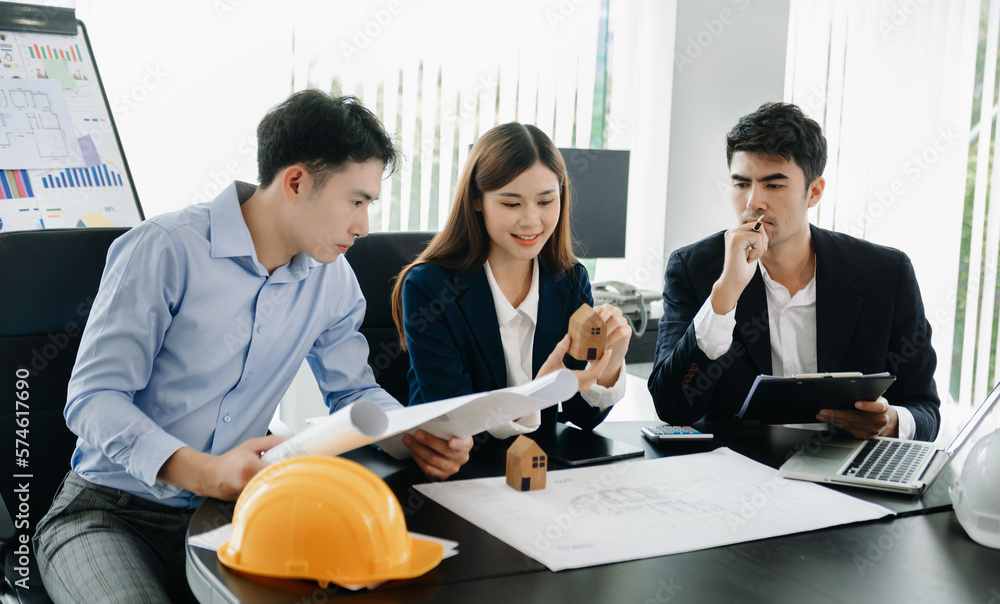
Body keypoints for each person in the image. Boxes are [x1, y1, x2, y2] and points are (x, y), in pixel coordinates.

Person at [34, 90, 473, 604]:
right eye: (356, 201)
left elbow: (354, 393)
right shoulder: (166, 249)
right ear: (295, 182)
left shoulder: (332, 280)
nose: (363, 226)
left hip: (232, 513)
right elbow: (94, 399)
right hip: (108, 512)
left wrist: (413, 433)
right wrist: (207, 471)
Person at [647, 102, 940, 441]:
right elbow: (673, 408)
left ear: (813, 192)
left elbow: (925, 408)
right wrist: (724, 298)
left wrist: (891, 422)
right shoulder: (693, 269)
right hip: (737, 475)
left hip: (845, 475)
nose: (753, 202)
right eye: (741, 184)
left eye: (774, 185)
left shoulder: (886, 274)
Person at [390, 122, 630, 440]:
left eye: (545, 202)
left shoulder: (570, 281)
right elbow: (456, 427)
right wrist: (539, 393)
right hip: (454, 474)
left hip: (538, 475)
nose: (531, 219)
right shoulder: (429, 289)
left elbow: (581, 416)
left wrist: (611, 361)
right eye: (511, 203)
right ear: (477, 200)